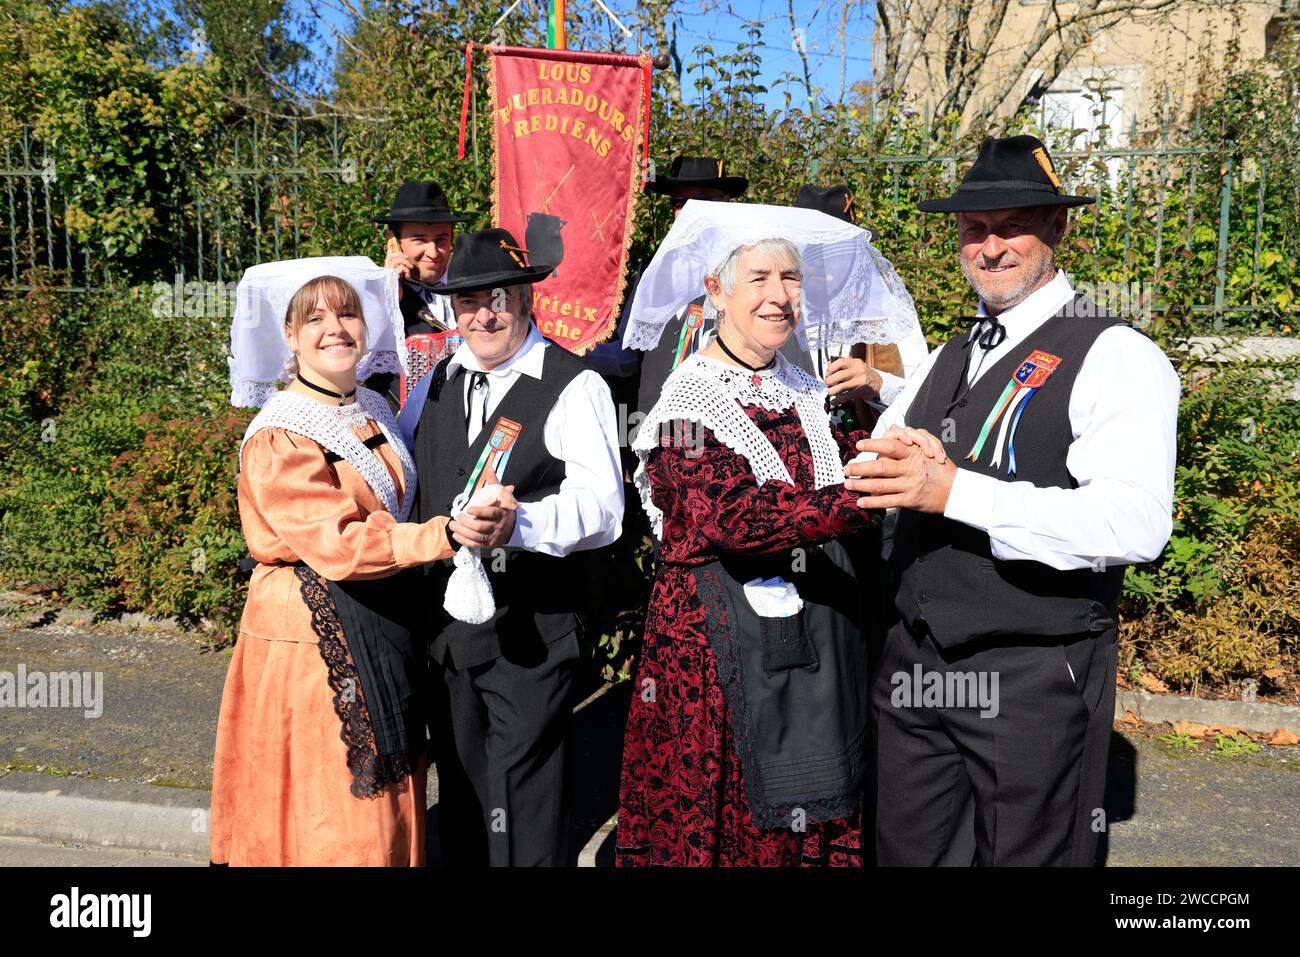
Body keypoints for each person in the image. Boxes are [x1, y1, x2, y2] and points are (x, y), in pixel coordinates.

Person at [845, 134, 1179, 866]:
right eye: (974, 229)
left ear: (1058, 229)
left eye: (1012, 225)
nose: (990, 247)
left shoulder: (1116, 352)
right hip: (915, 666)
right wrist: (897, 457)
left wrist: (956, 490)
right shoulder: (950, 353)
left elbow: (1135, 523)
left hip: (1031, 674)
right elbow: (881, 465)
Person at [615, 203, 915, 866]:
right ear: (716, 289)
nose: (780, 295)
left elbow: (858, 461)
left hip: (816, 653)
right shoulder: (685, 404)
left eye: (791, 278)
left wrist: (896, 456)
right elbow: (736, 519)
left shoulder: (810, 391)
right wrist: (865, 495)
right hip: (717, 663)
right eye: (759, 278)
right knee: (730, 828)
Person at [212, 259, 509, 866]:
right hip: (313, 632)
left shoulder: (369, 404)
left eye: (347, 312)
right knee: (335, 802)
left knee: (386, 784)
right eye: (314, 317)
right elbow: (339, 542)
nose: (336, 327)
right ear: (290, 337)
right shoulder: (282, 434)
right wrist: (442, 536)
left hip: (379, 614)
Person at [398, 228, 624, 867]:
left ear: (526, 301)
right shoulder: (435, 382)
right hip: (447, 633)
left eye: (499, 296)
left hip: (532, 633)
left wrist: (519, 524)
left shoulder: (575, 385)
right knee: (466, 799)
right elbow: (406, 476)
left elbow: (603, 511)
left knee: (524, 800)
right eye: (468, 302)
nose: (484, 313)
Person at [792, 183, 929, 433]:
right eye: (813, 249)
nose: (823, 262)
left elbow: (924, 394)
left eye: (837, 249)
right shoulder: (775, 311)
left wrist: (878, 382)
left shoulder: (888, 311)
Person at [367, 180, 472, 409]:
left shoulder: (472, 287)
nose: (433, 252)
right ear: (394, 241)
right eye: (419, 240)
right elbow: (355, 366)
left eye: (441, 239)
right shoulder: (370, 297)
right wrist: (387, 296)